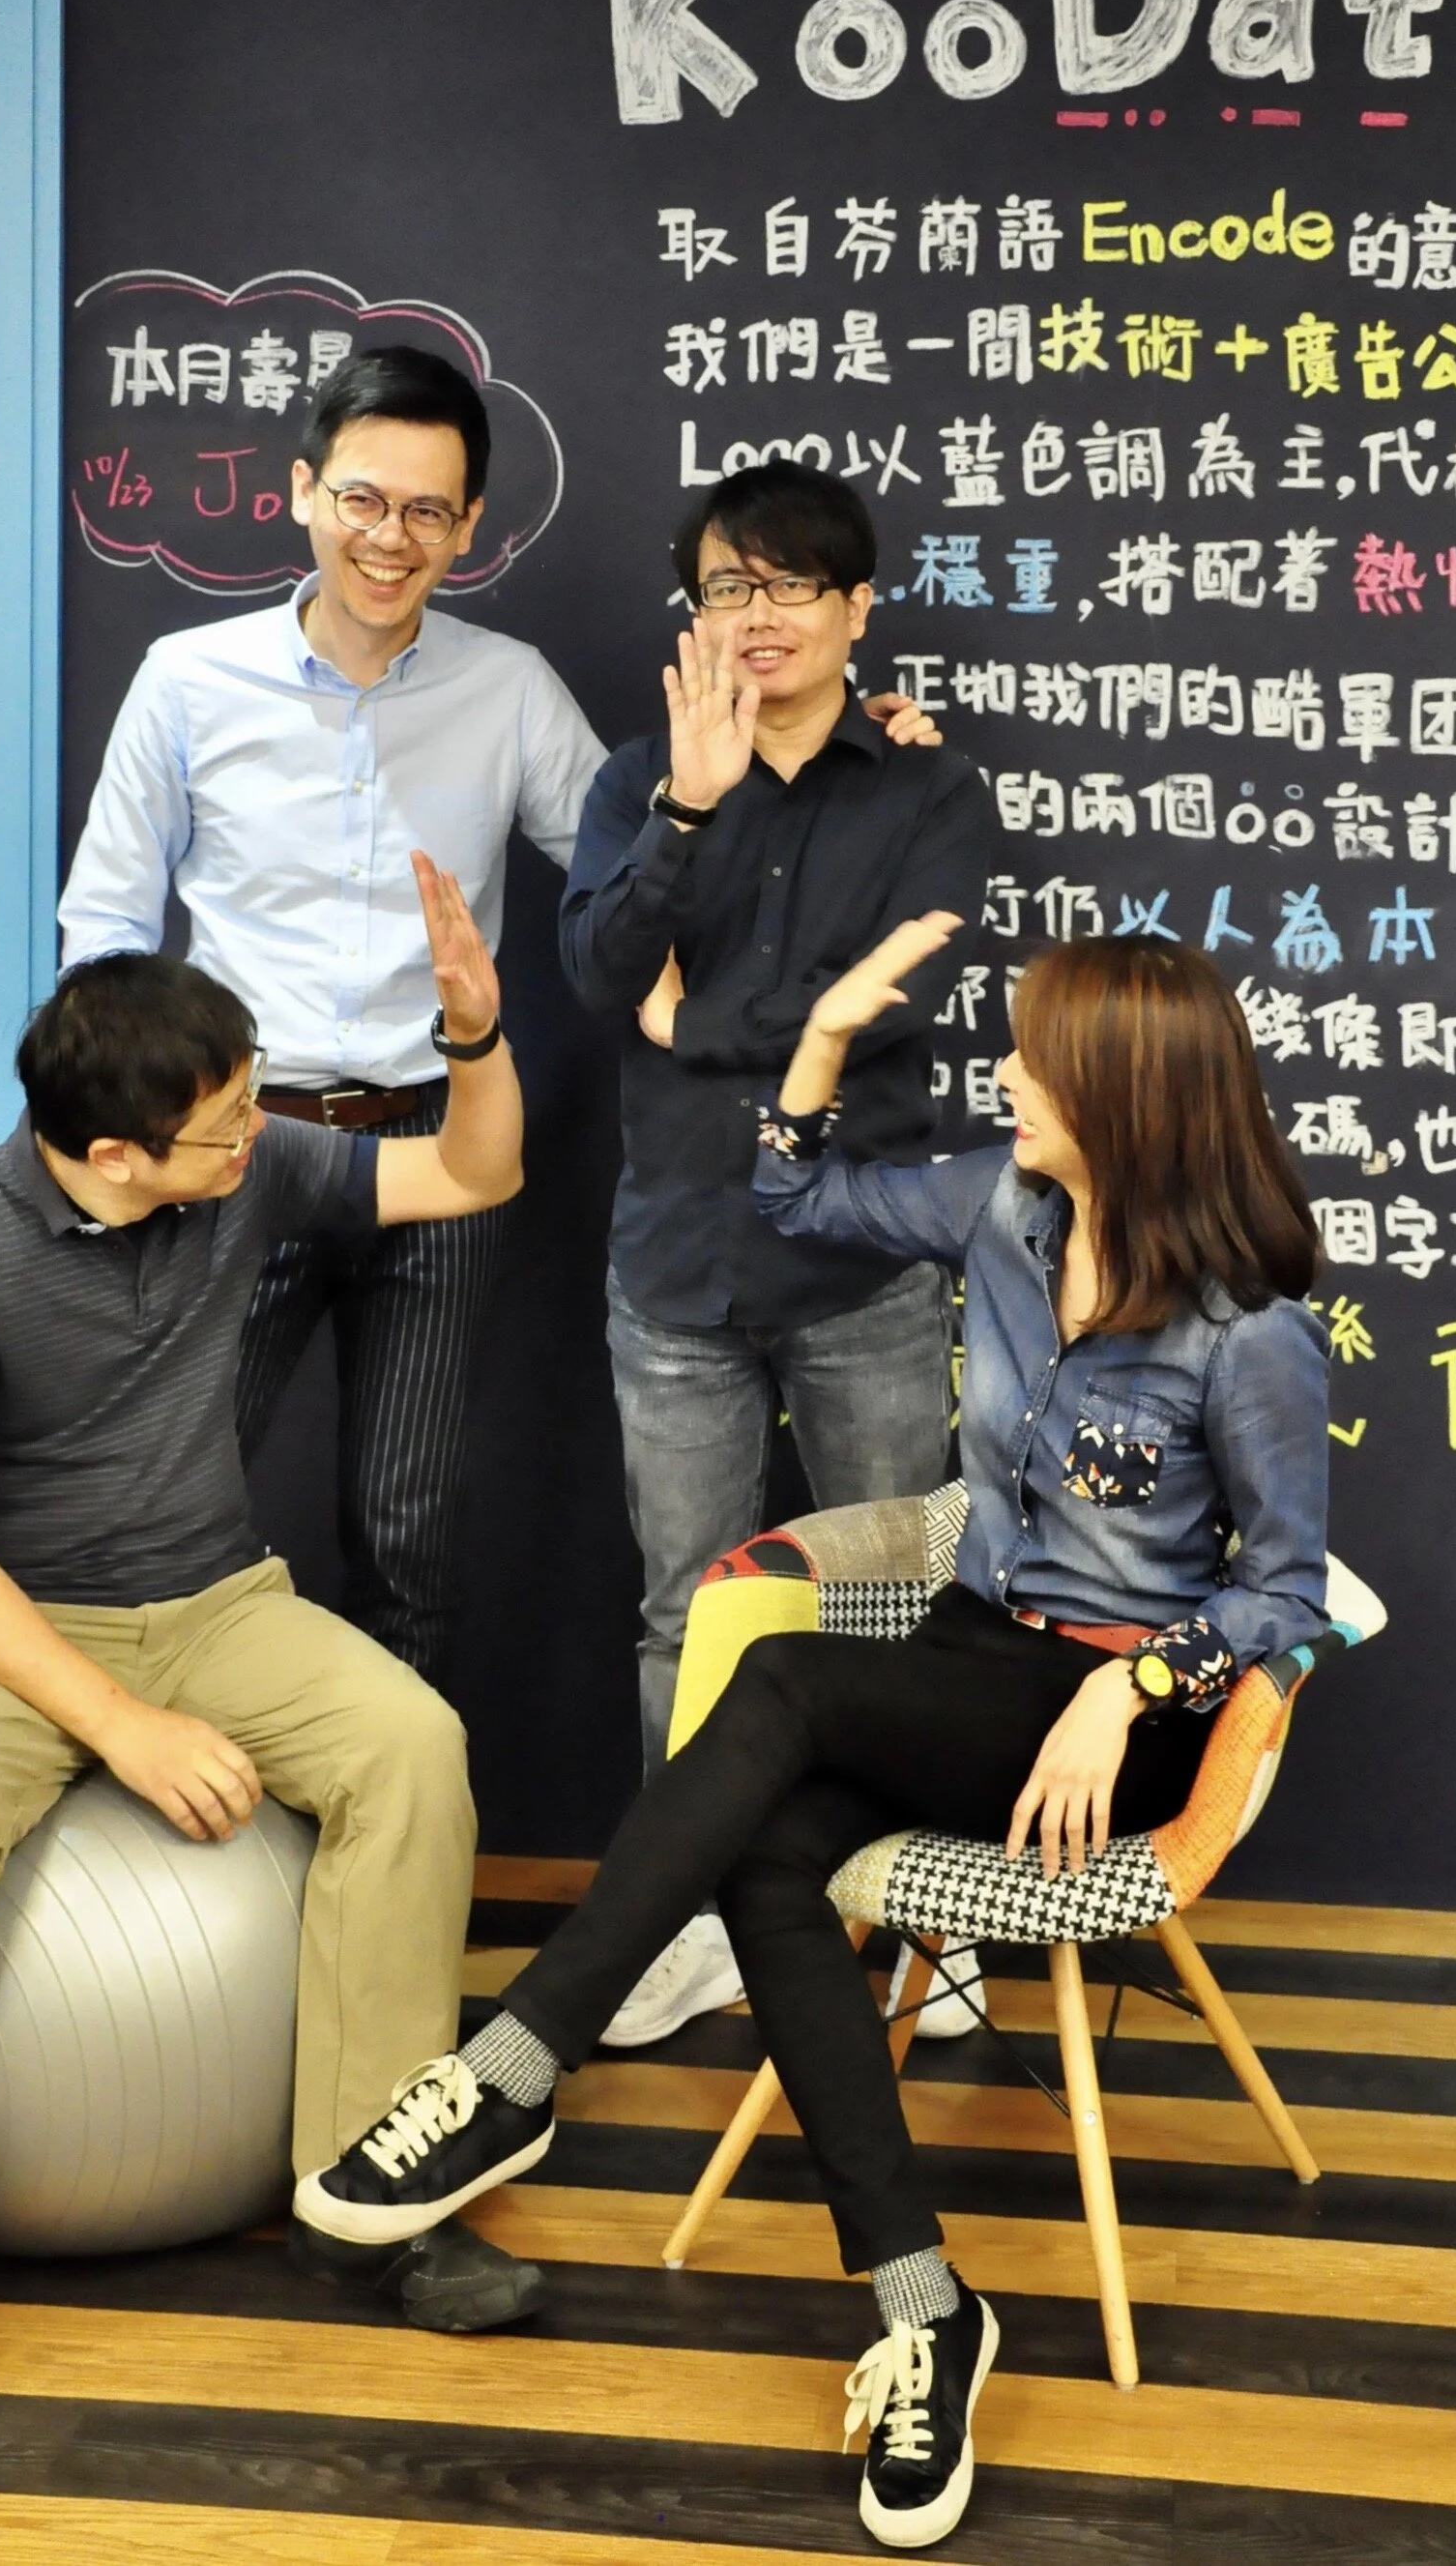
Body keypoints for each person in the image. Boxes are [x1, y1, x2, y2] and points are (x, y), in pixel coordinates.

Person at [291, 925, 1329, 2553]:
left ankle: (510, 2067)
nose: (1011, 1073)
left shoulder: (1241, 1328)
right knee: (776, 1858)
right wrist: (823, 1041)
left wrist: (1125, 1690)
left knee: (774, 1689)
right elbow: (786, 1202)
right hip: (969, 1660)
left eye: (1040, 1059)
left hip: (1102, 1718)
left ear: (1122, 1094)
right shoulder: (1005, 1205)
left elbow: (1287, 1594)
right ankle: (925, 2310)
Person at [0, 857, 543, 2449]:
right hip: (6, 1631)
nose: (257, 1130)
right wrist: (118, 1726)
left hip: (215, 1599)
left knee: (412, 1751)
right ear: (117, 1156)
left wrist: (476, 1040)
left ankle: (374, 2192)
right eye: (227, 1120)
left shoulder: (246, 1168)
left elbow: (472, 1180)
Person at [59, 345, 606, 1685]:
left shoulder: (510, 687)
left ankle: (393, 1862)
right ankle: (118, 1818)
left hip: (430, 1146)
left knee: (404, 1530)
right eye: (363, 499)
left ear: (468, 528)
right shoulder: (189, 679)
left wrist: (819, 755)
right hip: (230, 1148)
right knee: (161, 1498)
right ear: (303, 493)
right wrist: (115, 1147)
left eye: (428, 511)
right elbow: (106, 928)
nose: (391, 538)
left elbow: (633, 877)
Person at [559, 462, 996, 2045]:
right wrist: (684, 812)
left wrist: (714, 1020)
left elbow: (899, 996)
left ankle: (922, 1927)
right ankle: (690, 1919)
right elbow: (600, 969)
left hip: (863, 1261)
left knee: (895, 1603)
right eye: (726, 590)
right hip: (677, 1261)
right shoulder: (637, 776)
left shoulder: (927, 791)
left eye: (788, 587)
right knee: (690, 1611)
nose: (754, 619)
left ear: (855, 609)